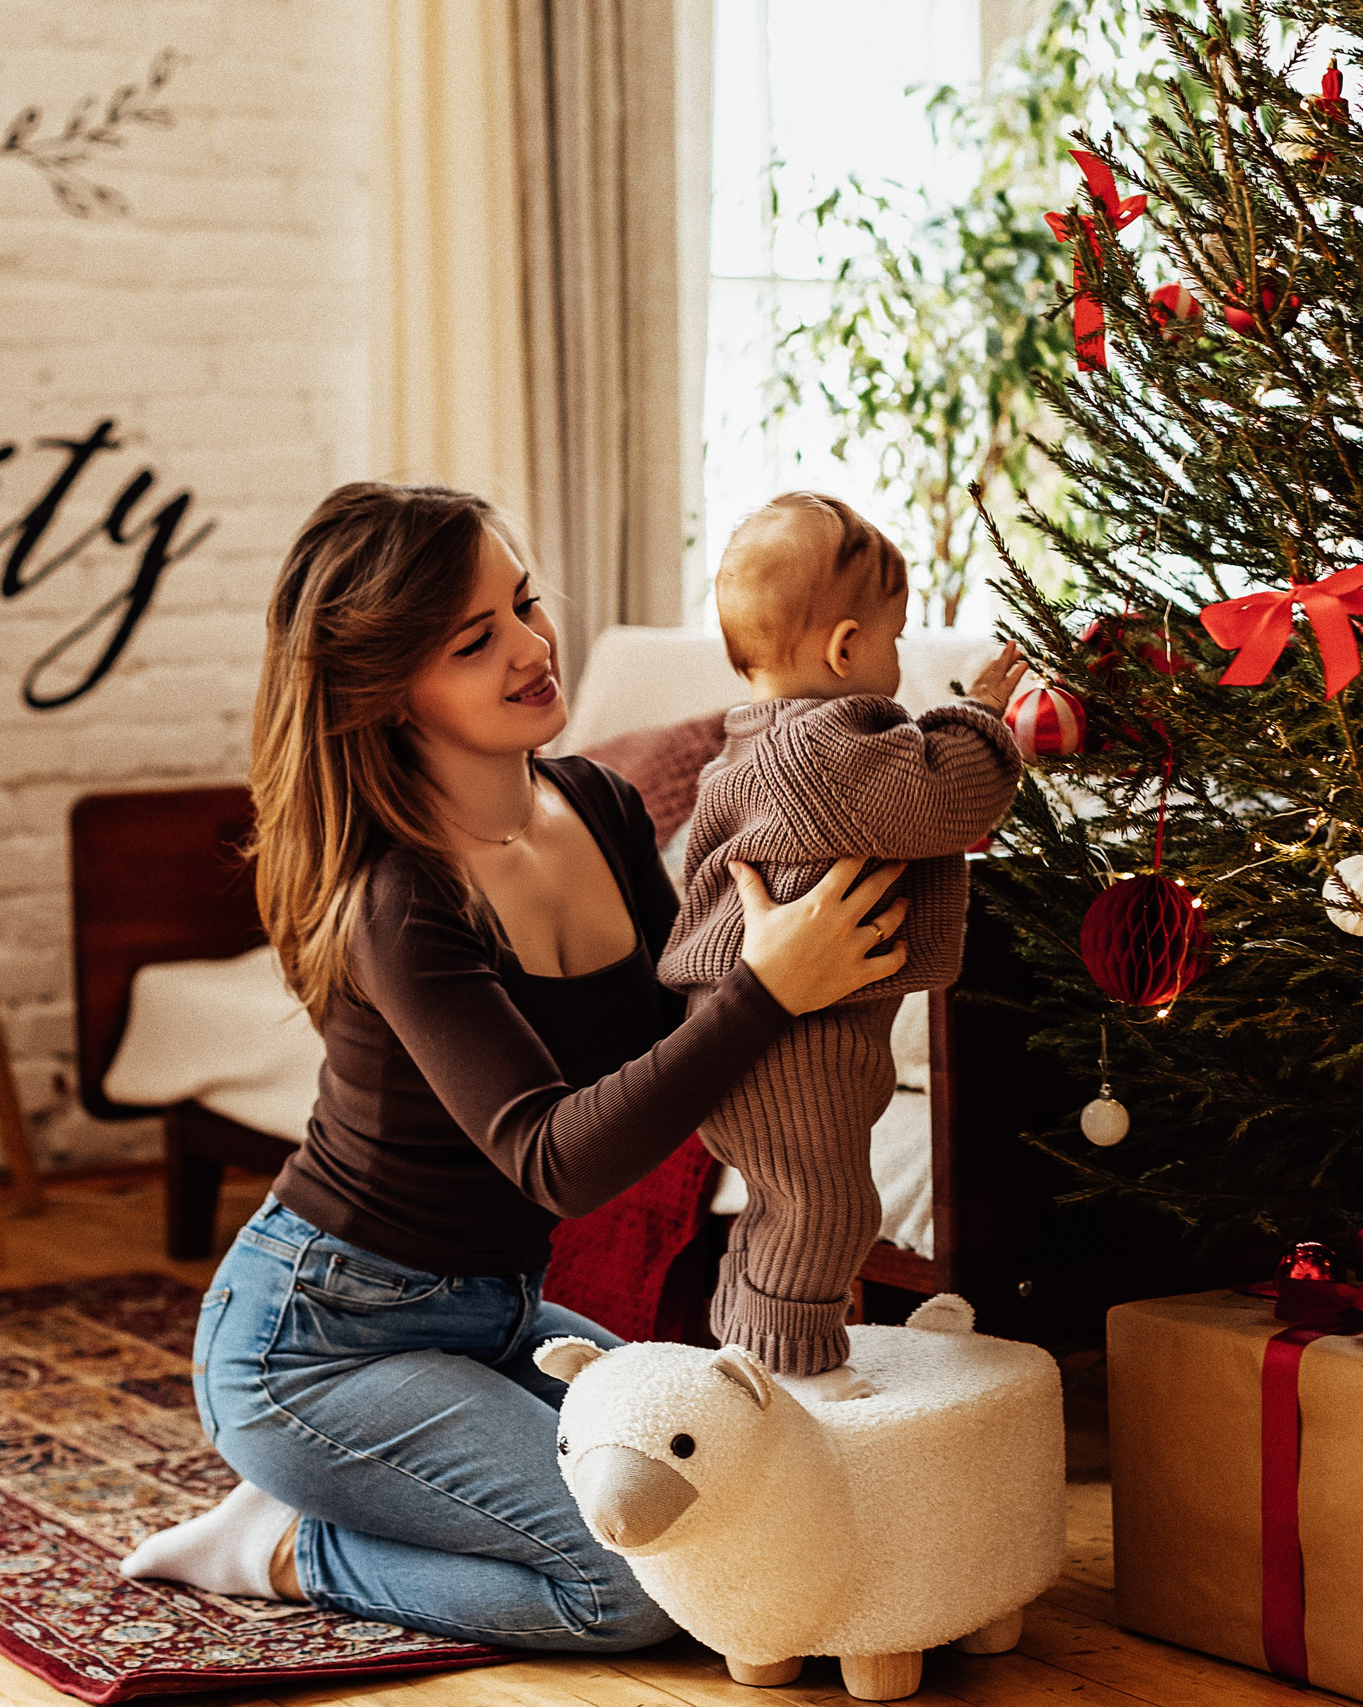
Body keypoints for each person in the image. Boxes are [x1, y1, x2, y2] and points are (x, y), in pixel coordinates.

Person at [116, 482, 911, 1652]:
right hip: (317, 1343)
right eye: (475, 640)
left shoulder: (595, 802)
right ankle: (289, 1544)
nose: (534, 650)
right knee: (639, 1587)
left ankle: (356, 1499)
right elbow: (557, 1159)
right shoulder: (399, 896)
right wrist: (767, 988)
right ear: (388, 687)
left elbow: (671, 1035)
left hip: (493, 1316)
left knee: (747, 1491)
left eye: (525, 607)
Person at [658, 493, 1025, 1400]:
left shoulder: (756, 747)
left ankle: (744, 1354)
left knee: (785, 1205)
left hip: (763, 1039)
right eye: (897, 640)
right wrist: (981, 712)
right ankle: (794, 1369)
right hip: (789, 1047)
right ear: (846, 649)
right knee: (827, 1207)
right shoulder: (823, 750)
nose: (901, 665)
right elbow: (949, 797)